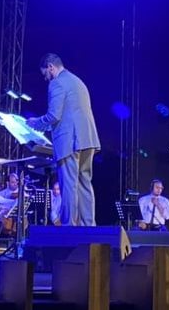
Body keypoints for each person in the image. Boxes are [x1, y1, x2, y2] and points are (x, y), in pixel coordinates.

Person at [27, 53, 101, 226]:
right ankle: (89, 226)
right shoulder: (78, 81)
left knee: (68, 185)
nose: (46, 78)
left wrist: (35, 123)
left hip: (70, 142)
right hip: (88, 139)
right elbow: (71, 114)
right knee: (84, 183)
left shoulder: (57, 82)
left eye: (45, 74)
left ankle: (69, 226)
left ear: (50, 67)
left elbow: (54, 115)